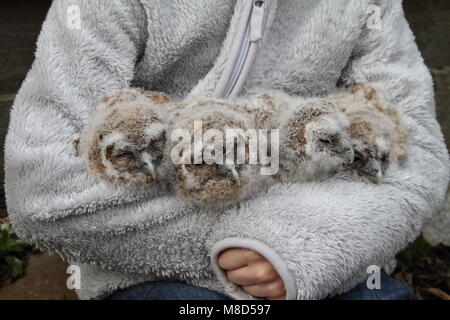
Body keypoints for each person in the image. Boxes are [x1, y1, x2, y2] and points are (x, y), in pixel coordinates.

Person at [4, 0, 449, 300]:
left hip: (335, 264)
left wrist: (305, 248)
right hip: (151, 271)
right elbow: (42, 191)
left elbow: (417, 153)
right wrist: (248, 242)